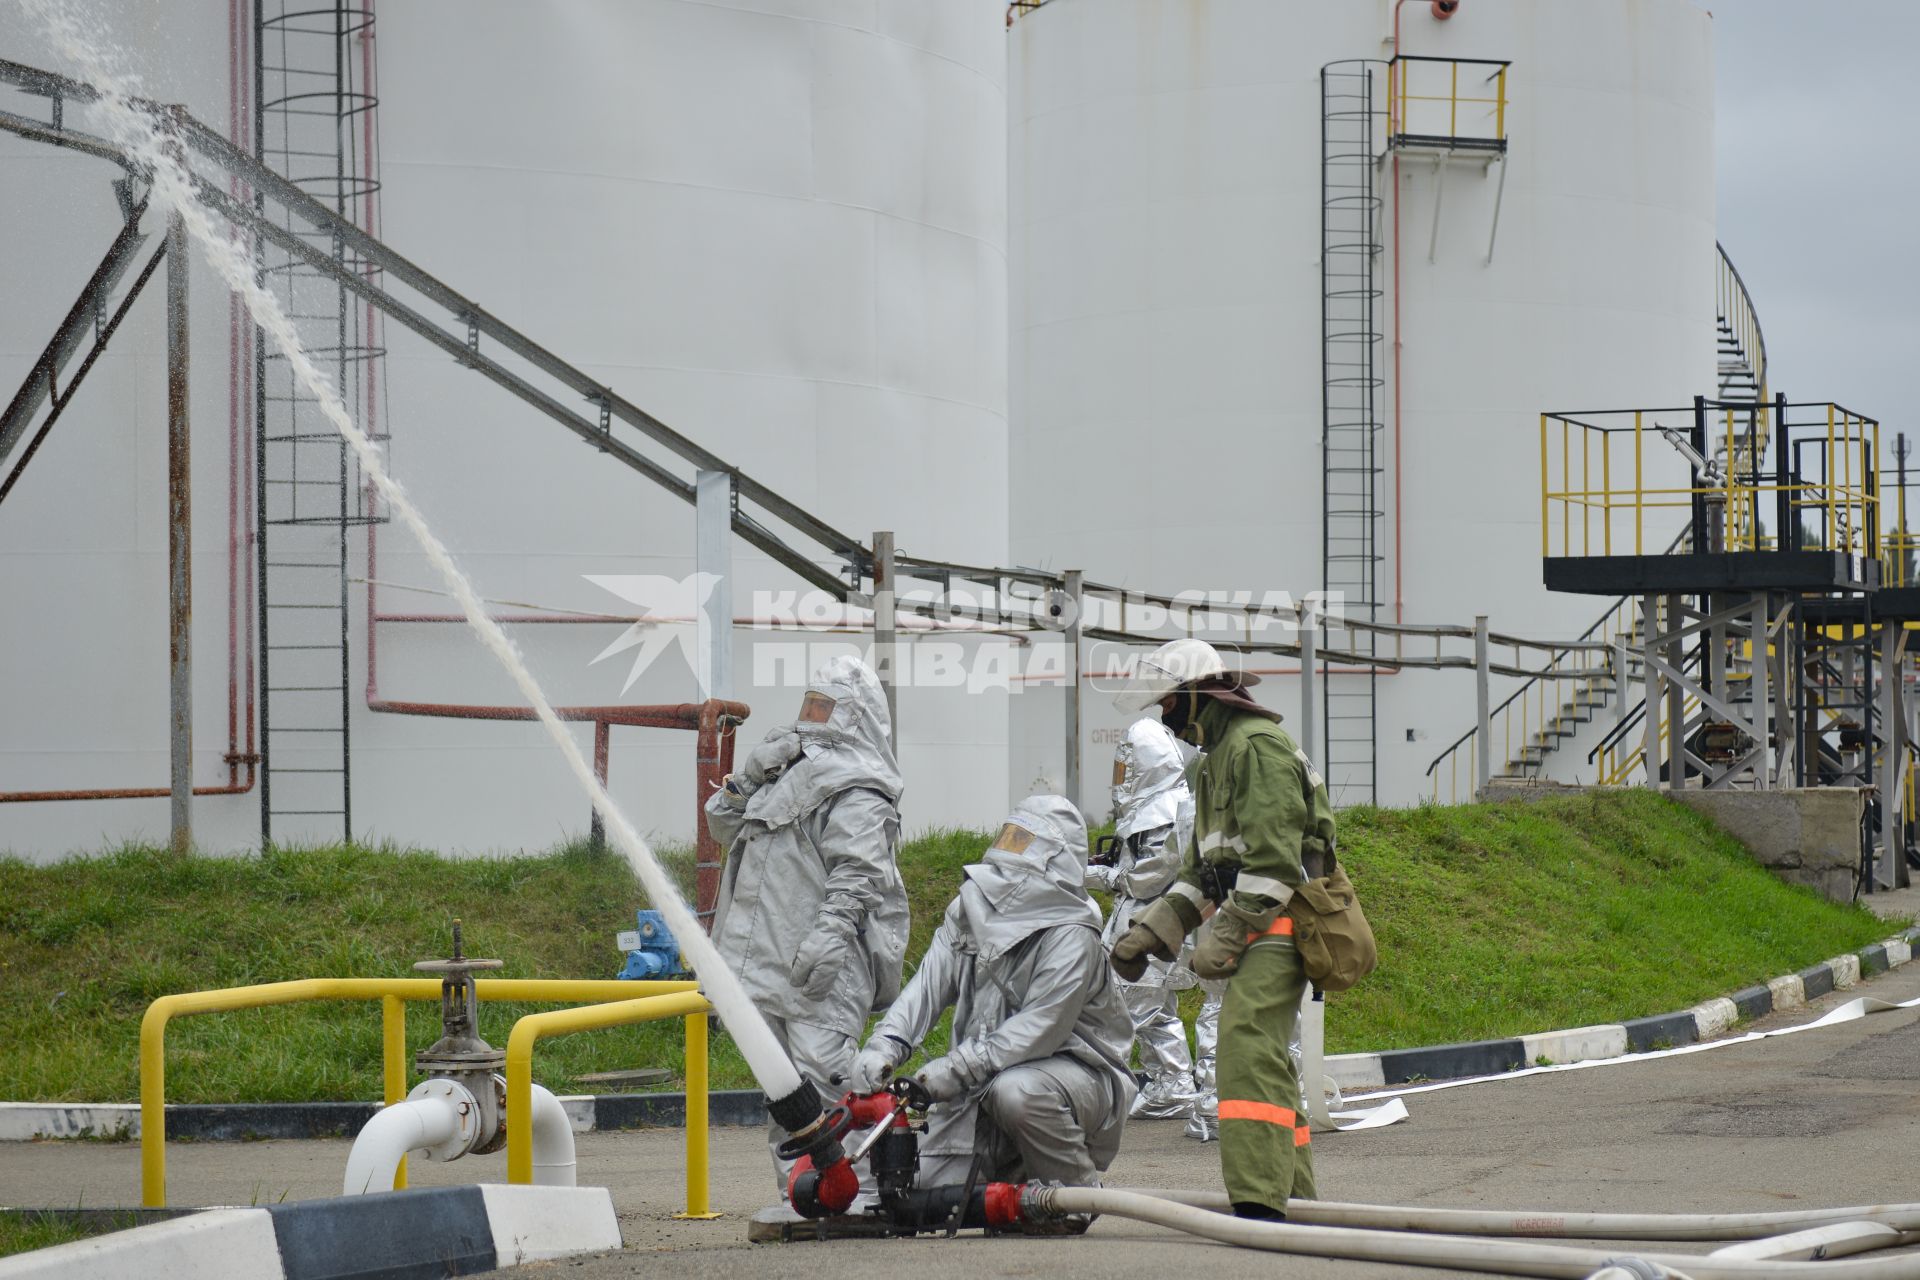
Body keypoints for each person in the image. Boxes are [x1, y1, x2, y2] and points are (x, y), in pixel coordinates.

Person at [1108, 638, 1335, 1220]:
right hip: (1258, 920)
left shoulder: (1254, 749)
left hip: (1283, 921)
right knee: (1266, 1059)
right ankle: (1296, 1196)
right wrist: (1151, 933)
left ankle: (1262, 1204)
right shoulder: (1217, 760)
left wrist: (1225, 937)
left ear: (1193, 696)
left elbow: (1276, 862)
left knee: (1245, 1048)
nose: (1164, 717)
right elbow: (1203, 873)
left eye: (1166, 704)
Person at [847, 795, 1137, 1200]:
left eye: (1025, 842)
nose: (1011, 853)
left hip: (1075, 1079)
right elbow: (926, 989)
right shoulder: (968, 909)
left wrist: (955, 1069)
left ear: (1057, 860)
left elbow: (1041, 1028)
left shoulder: (1073, 934)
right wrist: (885, 1046)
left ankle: (1074, 1195)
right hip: (978, 1084)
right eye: (1012, 837)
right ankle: (1016, 1182)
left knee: (1017, 1093)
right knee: (913, 1194)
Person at [704, 655, 911, 1194]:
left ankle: (862, 1193)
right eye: (809, 704)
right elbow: (721, 823)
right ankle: (804, 1195)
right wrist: (748, 775)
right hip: (766, 962)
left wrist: (830, 936)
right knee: (784, 1094)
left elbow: (858, 871)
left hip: (824, 968)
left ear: (856, 715)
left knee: (828, 1079)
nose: (812, 718)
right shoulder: (782, 772)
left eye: (826, 707)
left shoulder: (860, 788)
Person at [1087, 717, 1201, 1121]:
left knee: (1116, 1013)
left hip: (1148, 925)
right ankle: (1173, 1085)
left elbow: (1147, 876)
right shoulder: (1160, 809)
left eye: (1127, 767)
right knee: (1156, 1013)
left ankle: (1096, 1095)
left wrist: (1095, 875)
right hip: (1148, 924)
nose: (1121, 777)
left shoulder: (1164, 812)